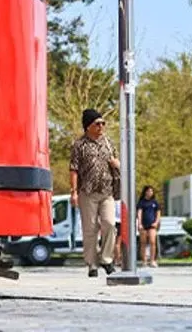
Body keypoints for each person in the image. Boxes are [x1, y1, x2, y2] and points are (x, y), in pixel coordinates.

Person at [70, 108, 119, 277]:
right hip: (87, 192)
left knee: (110, 224)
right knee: (90, 229)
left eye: (102, 123)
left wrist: (116, 164)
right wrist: (74, 192)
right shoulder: (79, 145)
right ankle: (92, 264)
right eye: (97, 123)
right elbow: (74, 169)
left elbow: (117, 162)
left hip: (107, 191)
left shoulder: (109, 143)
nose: (101, 126)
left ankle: (106, 259)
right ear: (88, 126)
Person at [137, 185, 162, 267]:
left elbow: (158, 214)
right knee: (143, 243)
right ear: (145, 192)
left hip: (152, 225)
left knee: (152, 242)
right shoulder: (141, 202)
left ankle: (152, 260)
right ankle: (144, 261)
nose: (150, 193)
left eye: (151, 191)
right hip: (143, 225)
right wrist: (139, 223)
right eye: (148, 191)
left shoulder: (155, 202)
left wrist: (156, 222)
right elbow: (139, 213)